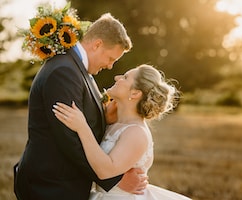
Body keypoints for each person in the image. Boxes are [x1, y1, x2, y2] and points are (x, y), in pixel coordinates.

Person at [14, 13, 147, 200]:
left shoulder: (78, 70)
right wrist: (114, 179)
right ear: (97, 44)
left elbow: (84, 121)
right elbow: (69, 139)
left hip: (63, 183)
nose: (110, 66)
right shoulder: (64, 71)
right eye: (110, 58)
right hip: (49, 186)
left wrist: (104, 117)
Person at [52, 64, 192, 199]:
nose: (117, 78)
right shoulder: (114, 123)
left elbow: (105, 171)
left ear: (135, 93)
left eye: (125, 77)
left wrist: (82, 127)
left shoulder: (136, 133)